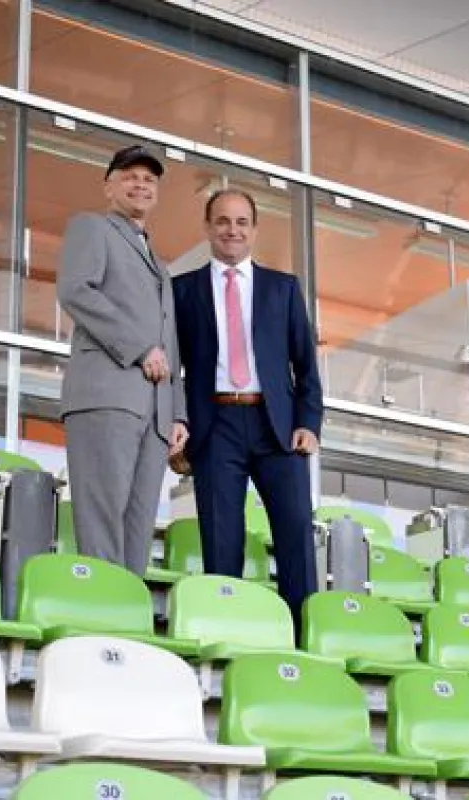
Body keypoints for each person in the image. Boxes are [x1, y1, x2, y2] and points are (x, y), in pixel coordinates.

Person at [172, 188, 322, 634]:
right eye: (222, 221)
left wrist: (308, 423)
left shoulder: (283, 288)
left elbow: (306, 365)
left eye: (241, 222)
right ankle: (229, 632)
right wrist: (176, 423)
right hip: (215, 426)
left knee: (296, 533)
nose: (232, 230)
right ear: (207, 227)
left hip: (278, 428)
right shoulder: (182, 290)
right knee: (221, 539)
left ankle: (301, 637)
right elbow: (174, 367)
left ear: (254, 230)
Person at [57, 144, 188, 576]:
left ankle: (127, 611)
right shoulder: (92, 227)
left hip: (154, 414)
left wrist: (177, 413)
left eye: (149, 179)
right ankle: (103, 610)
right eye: (130, 176)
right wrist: (139, 348)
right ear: (108, 186)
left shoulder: (158, 263)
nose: (140, 184)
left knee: (137, 532)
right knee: (102, 522)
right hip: (107, 397)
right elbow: (76, 290)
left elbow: (170, 342)